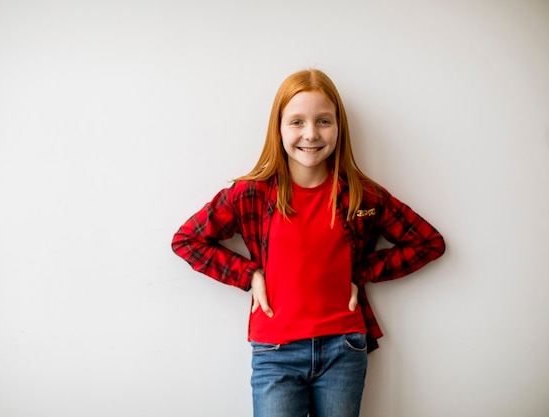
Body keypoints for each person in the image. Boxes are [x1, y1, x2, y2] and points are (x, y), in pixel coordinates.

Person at [171, 69, 445, 417]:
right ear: (279, 128)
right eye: (297, 122)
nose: (311, 134)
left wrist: (359, 272)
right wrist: (250, 274)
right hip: (275, 352)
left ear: (339, 128)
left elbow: (428, 243)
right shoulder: (251, 194)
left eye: (323, 121)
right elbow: (187, 239)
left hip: (343, 349)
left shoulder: (362, 195)